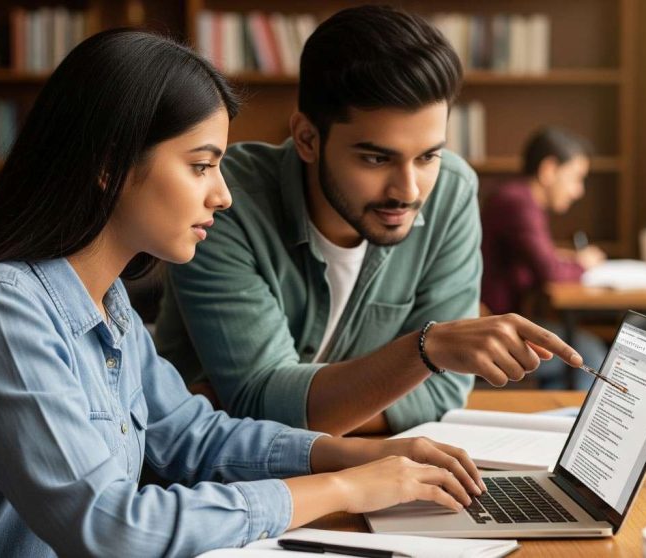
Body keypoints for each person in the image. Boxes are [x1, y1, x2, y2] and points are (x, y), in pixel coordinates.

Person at [0, 30, 487, 557]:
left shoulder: (108, 303)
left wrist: (344, 455)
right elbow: (109, 528)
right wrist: (343, 489)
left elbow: (191, 435)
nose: (223, 196)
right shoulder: (5, 310)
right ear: (109, 164)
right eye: (201, 166)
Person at [155, 6, 584, 436]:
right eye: (377, 158)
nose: (410, 190)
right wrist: (423, 353)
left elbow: (444, 393)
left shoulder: (451, 192)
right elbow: (261, 401)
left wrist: (297, 406)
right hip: (212, 479)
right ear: (307, 138)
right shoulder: (224, 202)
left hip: (354, 467)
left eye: (428, 156)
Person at [480, 127, 609, 389]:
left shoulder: (519, 197)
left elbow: (538, 256)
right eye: (575, 178)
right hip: (491, 324)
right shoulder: (518, 202)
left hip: (501, 318)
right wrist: (582, 264)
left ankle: (561, 424)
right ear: (549, 170)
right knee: (588, 353)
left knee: (576, 352)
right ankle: (575, 427)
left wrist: (567, 258)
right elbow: (549, 270)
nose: (578, 191)